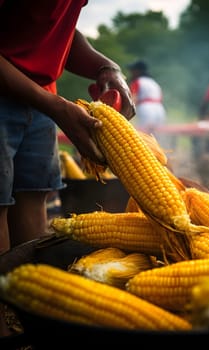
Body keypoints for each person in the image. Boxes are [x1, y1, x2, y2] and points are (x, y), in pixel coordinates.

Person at [0, 0, 135, 337]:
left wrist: (106, 66)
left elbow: (53, 30)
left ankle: (34, 319)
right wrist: (55, 107)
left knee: (34, 196)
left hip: (43, 96)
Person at [127, 59, 166, 134]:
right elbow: (161, 98)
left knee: (143, 134)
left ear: (138, 71)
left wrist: (127, 115)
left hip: (146, 109)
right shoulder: (154, 82)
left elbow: (133, 99)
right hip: (160, 109)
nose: (131, 72)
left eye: (133, 70)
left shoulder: (137, 81)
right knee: (156, 135)